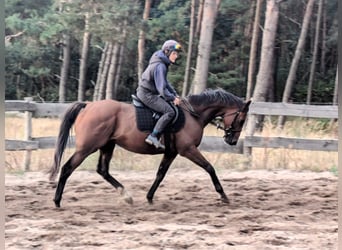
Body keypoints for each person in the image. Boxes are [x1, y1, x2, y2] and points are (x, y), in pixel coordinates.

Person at [136, 39, 182, 150]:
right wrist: (172, 98)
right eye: (174, 53)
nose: (176, 56)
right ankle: (153, 136)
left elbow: (165, 83)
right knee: (169, 111)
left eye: (177, 54)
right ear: (167, 52)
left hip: (148, 92)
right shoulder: (160, 66)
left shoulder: (162, 63)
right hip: (147, 94)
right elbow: (161, 89)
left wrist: (175, 94)